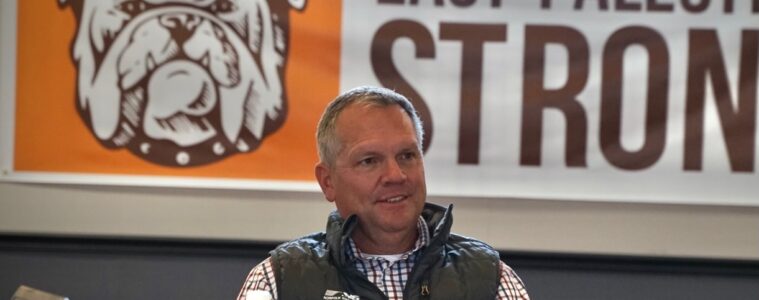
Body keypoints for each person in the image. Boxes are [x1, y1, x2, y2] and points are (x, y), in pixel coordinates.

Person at [237, 86, 529, 300]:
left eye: (406, 156)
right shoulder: (277, 281)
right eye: (369, 161)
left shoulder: (491, 279)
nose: (395, 175)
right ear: (328, 182)